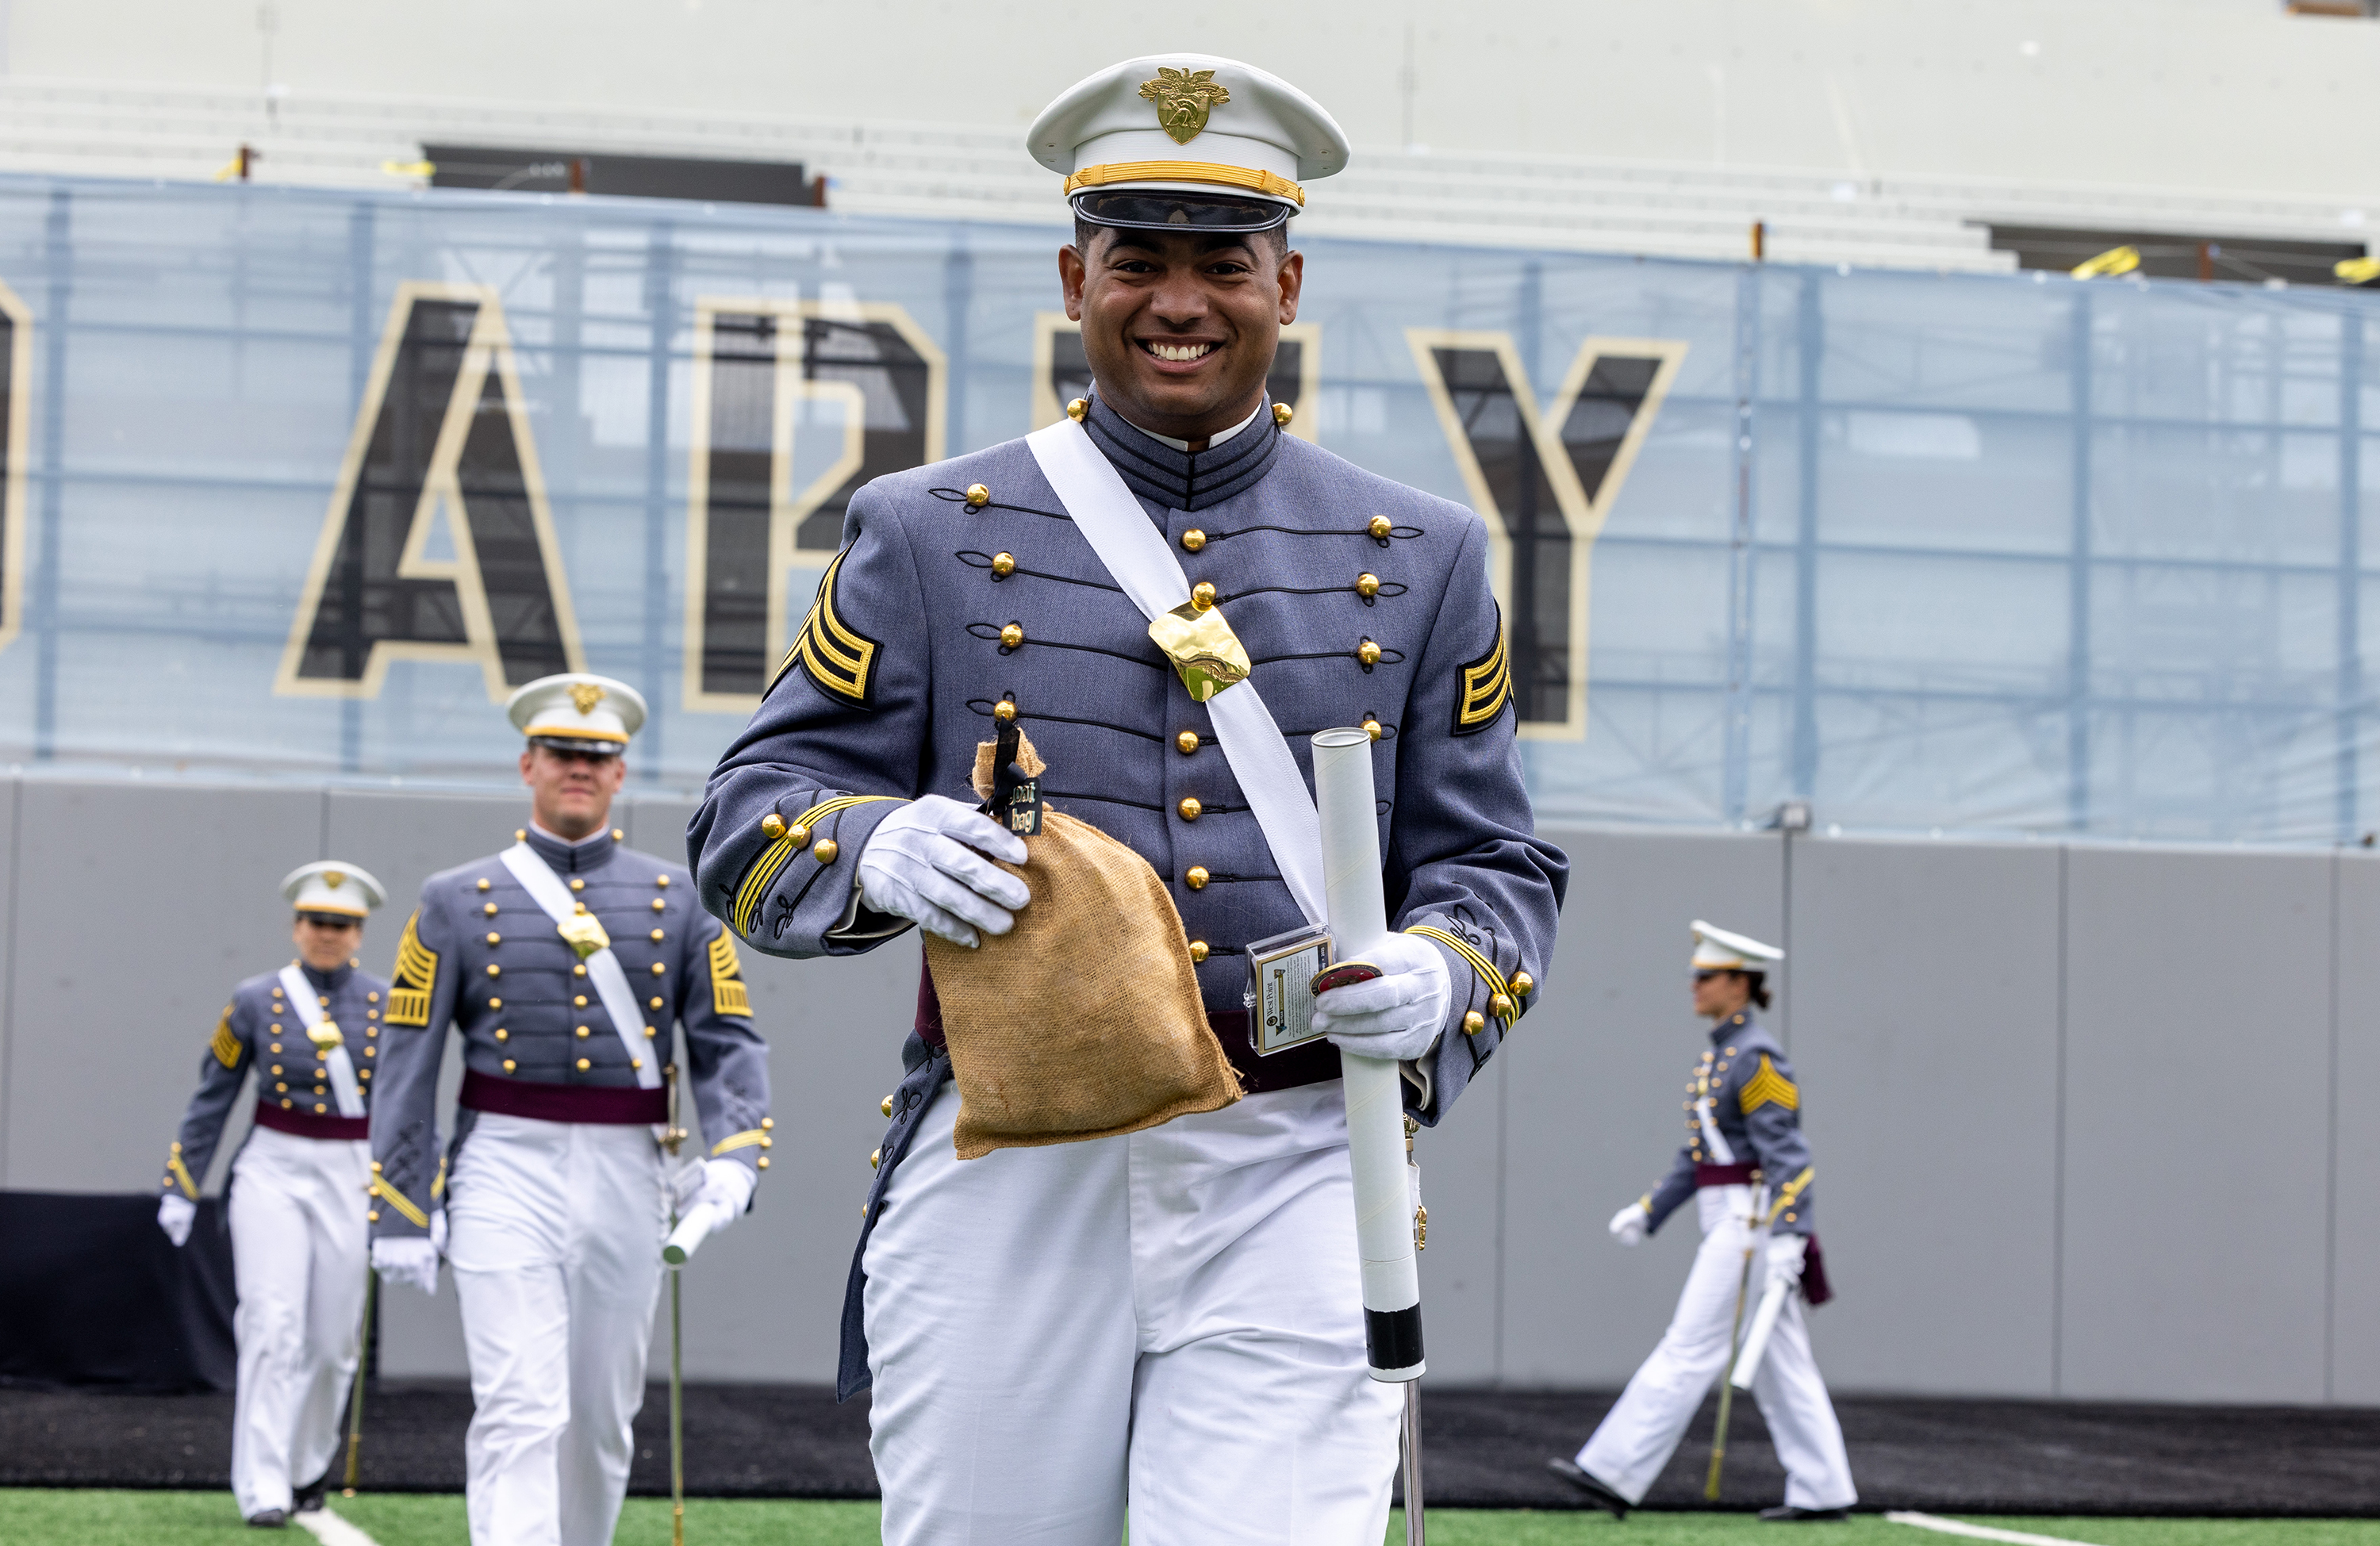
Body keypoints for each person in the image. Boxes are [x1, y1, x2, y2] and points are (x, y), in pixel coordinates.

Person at [691, 52, 1566, 1544]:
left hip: (1300, 1152)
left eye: (1222, 263)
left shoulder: (1424, 552)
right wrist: (873, 841)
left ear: (1287, 284)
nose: (1179, 300)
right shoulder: (921, 530)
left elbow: (1494, 862)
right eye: (1137, 259)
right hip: (1013, 1154)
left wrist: (1443, 971)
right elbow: (744, 814)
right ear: (1072, 278)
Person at [366, 673, 773, 1546]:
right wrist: (400, 1204)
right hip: (501, 1164)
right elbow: (406, 1061)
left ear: (620, 771)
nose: (579, 766)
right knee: (520, 1401)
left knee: (598, 1416)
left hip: (632, 1170)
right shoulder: (453, 898)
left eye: (598, 754)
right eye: (561, 752)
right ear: (528, 764)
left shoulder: (682, 900)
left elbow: (728, 1038)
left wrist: (737, 1151)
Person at [1548, 920, 1855, 1524]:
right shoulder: (1722, 1056)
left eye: (1707, 976)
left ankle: (1614, 1469)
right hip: (1733, 1220)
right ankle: (1824, 1491)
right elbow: (1699, 1157)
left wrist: (1791, 1233)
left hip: (1749, 1226)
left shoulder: (1755, 1058)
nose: (1695, 984)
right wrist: (1650, 1211)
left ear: (1740, 984)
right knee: (1784, 1367)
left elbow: (1788, 1157)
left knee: (1688, 1346)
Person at [157, 861, 391, 1528]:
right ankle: (262, 1483)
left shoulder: (387, 1003)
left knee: (334, 1338)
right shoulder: (255, 999)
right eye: (317, 920)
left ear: (359, 933)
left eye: (342, 923)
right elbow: (213, 1096)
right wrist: (182, 1183)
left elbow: (406, 1103)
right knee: (270, 1321)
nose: (328, 933)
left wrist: (416, 1198)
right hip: (273, 1166)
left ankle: (305, 1464)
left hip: (352, 1167)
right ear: (296, 926)